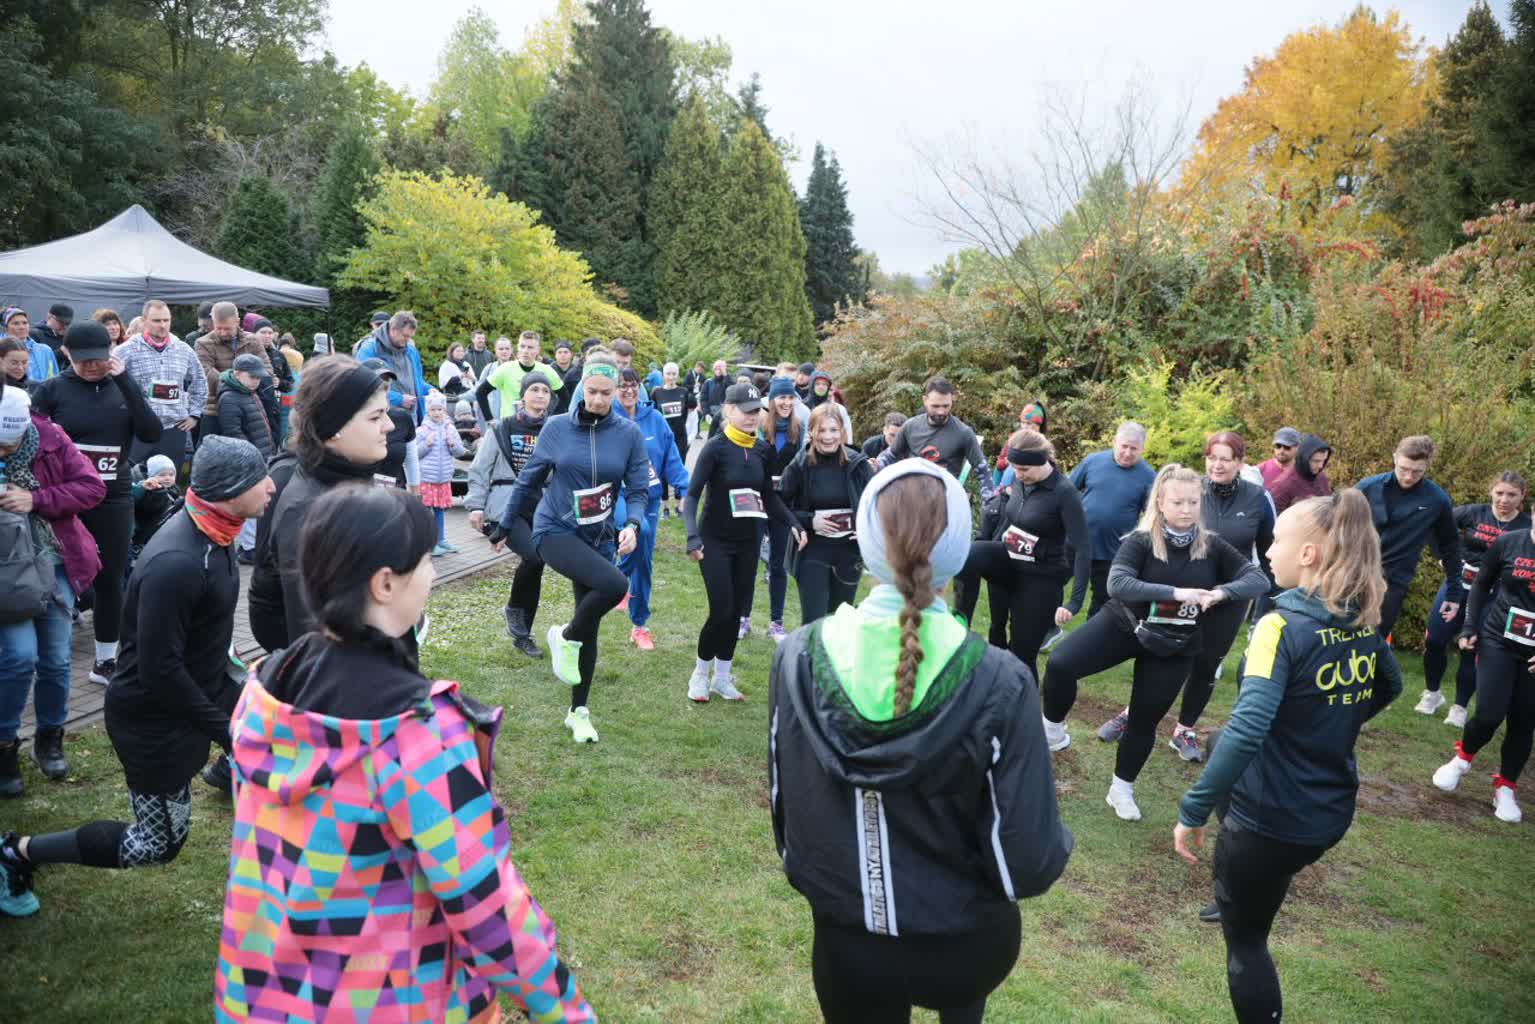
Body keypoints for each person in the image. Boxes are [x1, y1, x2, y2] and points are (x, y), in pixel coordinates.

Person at [208, 484, 597, 1018]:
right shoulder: (416, 732)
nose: (432, 573)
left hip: (263, 997)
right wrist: (567, 1009)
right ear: (385, 583)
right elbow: (486, 907)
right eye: (425, 561)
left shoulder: (268, 686)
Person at [769, 458, 1072, 1024]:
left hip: (847, 937)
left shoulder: (799, 654)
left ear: (866, 540)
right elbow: (1027, 863)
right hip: (964, 945)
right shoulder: (1002, 679)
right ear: (957, 548)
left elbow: (787, 816)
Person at [0, 438, 272, 918]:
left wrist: (239, 699)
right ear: (231, 490)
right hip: (152, 722)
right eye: (259, 479)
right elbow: (159, 670)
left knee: (176, 827)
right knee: (155, 843)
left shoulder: (216, 532)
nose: (271, 486)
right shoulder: (179, 562)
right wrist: (226, 729)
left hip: (187, 705)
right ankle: (15, 853)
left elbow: (202, 642)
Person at [1174, 487, 1400, 1019]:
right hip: (1327, 812)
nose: (1268, 552)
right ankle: (1240, 890)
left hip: (1272, 821)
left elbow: (1250, 728)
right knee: (1216, 741)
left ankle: (1242, 897)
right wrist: (1324, 725)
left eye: (1276, 541)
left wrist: (1192, 809)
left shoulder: (1278, 626)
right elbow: (1390, 686)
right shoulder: (1359, 619)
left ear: (1309, 554)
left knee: (1248, 946)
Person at [1042, 465, 1269, 821]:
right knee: (1060, 664)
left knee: (1144, 718)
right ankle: (1053, 730)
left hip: (1174, 642)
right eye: (1178, 502)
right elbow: (1118, 584)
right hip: (1123, 625)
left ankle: (1121, 789)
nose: (1186, 509)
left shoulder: (1212, 545)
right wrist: (1176, 593)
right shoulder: (1141, 540)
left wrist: (1222, 592)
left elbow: (1258, 579)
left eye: (1193, 502)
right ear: (1160, 502)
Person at [490, 349, 648, 744]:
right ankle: (563, 635)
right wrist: (505, 525)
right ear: (581, 389)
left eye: (606, 393)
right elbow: (528, 480)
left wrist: (633, 524)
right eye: (592, 391)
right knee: (616, 585)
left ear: (616, 392)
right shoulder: (557, 428)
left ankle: (578, 712)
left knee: (588, 626)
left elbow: (639, 490)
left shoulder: (628, 434)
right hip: (555, 530)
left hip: (600, 536)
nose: (598, 399)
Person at [1097, 432, 1276, 762]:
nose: (1217, 465)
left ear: (1240, 462)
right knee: (1159, 653)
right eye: (1212, 458)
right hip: (1180, 593)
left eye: (1226, 459)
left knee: (1206, 665)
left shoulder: (1257, 498)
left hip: (1227, 599)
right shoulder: (1190, 491)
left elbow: (1267, 558)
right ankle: (1132, 715)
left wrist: (1237, 594)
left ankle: (1184, 730)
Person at [32, 320, 162, 683]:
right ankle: (45, 653)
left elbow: (152, 432)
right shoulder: (52, 389)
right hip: (64, 494)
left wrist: (126, 382)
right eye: (83, 359)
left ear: (112, 353)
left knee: (110, 576)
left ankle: (105, 660)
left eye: (98, 358)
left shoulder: (123, 384)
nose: (92, 365)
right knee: (54, 572)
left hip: (112, 494)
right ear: (67, 353)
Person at [0, 383, 105, 798]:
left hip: (55, 561)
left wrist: (36, 499)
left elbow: (92, 487)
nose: (5, 452)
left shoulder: (50, 438)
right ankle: (5, 746)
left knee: (57, 658)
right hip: (7, 574)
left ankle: (50, 737)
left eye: (10, 444)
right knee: (18, 657)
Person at [248, 357, 392, 652]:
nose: (389, 425)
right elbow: (316, 642)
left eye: (386, 414)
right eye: (375, 417)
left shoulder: (348, 478)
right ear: (333, 428)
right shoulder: (309, 511)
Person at [683, 382, 802, 702]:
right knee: (721, 611)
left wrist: (793, 522)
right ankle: (700, 674)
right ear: (728, 410)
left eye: (755, 412)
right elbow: (692, 496)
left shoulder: (763, 450)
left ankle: (722, 678)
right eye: (745, 411)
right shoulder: (715, 448)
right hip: (715, 541)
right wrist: (692, 536)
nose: (752, 417)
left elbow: (768, 497)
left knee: (736, 613)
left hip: (748, 542)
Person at [955, 428, 1090, 683]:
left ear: (1042, 461)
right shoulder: (1020, 481)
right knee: (971, 554)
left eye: (1024, 469)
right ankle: (959, 629)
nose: (1018, 475)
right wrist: (991, 551)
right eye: (1015, 468)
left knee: (1021, 656)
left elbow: (1083, 547)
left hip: (1041, 577)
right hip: (1010, 562)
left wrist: (1074, 602)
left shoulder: (1064, 493)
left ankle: (1024, 701)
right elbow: (1011, 521)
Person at [1433, 519, 1535, 823]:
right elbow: (1481, 583)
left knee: (1523, 721)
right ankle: (1462, 758)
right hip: (1498, 638)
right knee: (1489, 713)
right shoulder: (1509, 542)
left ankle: (1506, 787)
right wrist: (1470, 626)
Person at [1421, 473, 1530, 726]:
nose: (1504, 500)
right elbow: (1435, 526)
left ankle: (1460, 707)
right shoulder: (1473, 513)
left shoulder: (1525, 526)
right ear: (1491, 491)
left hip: (1494, 596)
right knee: (1435, 639)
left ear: (1522, 496)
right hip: (1457, 586)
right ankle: (1432, 693)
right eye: (1499, 493)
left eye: (1512, 495)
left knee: (1471, 647)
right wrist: (1443, 557)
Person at [466, 372, 553, 657]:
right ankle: (514, 610)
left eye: (546, 391)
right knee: (534, 556)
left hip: (541, 506)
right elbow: (480, 469)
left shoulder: (554, 431)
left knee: (537, 564)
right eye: (534, 389)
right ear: (523, 395)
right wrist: (476, 506)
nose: (540, 395)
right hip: (506, 506)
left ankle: (523, 635)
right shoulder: (502, 428)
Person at [1356, 435, 1460, 641]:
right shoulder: (1367, 487)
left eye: (1417, 472)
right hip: (1354, 574)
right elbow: (1336, 529)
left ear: (1427, 466)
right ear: (1395, 457)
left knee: (1373, 642)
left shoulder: (1437, 500)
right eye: (1403, 469)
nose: (1408, 477)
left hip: (1393, 583)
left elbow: (1450, 546)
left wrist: (1454, 592)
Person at [779, 403, 876, 626]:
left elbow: (879, 504)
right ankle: (810, 651)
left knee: (841, 621)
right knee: (815, 622)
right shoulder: (801, 463)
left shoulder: (858, 463)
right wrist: (809, 521)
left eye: (833, 430)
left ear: (842, 431)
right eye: (821, 430)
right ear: (811, 432)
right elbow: (780, 504)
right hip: (813, 550)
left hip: (849, 553)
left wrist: (866, 528)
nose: (828, 437)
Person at [613, 368, 689, 650]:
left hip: (651, 497)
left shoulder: (654, 418)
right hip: (620, 495)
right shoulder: (608, 418)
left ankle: (640, 626)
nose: (629, 390)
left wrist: (685, 488)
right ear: (614, 389)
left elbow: (671, 457)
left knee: (644, 561)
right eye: (622, 386)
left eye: (633, 385)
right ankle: (617, 580)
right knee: (640, 531)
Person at [1067, 421, 1158, 619]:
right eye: (1124, 446)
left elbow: (1152, 516)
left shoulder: (1149, 476)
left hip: (1112, 550)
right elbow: (1067, 491)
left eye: (1133, 448)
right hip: (1075, 541)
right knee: (1054, 582)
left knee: (1103, 598)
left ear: (1142, 449)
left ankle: (1092, 636)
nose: (1127, 452)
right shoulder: (1093, 461)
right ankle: (1049, 625)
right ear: (1115, 441)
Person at [743, 378, 809, 642]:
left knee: (779, 564)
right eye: (782, 397)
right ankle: (743, 618)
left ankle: (777, 623)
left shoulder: (798, 428)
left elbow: (800, 463)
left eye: (790, 398)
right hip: (758, 500)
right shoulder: (759, 426)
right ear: (771, 400)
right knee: (749, 561)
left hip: (784, 503)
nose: (786, 402)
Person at [113, 299, 207, 475]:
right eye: (157, 320)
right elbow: (110, 384)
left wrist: (195, 414)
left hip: (174, 428)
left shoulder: (184, 350)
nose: (162, 325)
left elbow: (200, 382)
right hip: (138, 430)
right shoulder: (126, 350)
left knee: (169, 483)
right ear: (144, 321)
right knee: (130, 480)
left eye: (166, 320)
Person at [192, 302, 275, 443]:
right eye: (218, 328)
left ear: (237, 321)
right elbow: (206, 375)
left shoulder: (253, 341)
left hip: (250, 409)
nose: (223, 332)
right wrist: (243, 383)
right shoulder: (203, 343)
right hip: (215, 410)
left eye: (227, 328)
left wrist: (236, 380)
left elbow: (267, 371)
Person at [355, 311, 431, 425]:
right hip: (382, 420)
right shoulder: (369, 350)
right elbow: (363, 385)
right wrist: (399, 399)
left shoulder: (412, 351)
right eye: (405, 336)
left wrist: (430, 390)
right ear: (393, 329)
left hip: (412, 420)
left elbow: (417, 382)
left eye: (410, 337)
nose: (408, 340)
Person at [416, 392, 469, 556]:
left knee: (440, 510)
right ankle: (429, 543)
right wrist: (426, 444)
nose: (437, 412)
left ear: (444, 410)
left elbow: (461, 452)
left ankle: (441, 540)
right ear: (427, 411)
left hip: (444, 478)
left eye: (439, 409)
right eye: (433, 409)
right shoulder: (422, 430)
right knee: (427, 511)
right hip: (427, 478)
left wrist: (452, 444)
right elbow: (415, 454)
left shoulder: (450, 429)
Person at [477, 330, 564, 425]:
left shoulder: (547, 370)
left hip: (538, 426)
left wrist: (553, 418)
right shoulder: (505, 369)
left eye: (530, 347)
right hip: (510, 426)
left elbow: (565, 396)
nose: (525, 351)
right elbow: (480, 392)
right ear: (518, 347)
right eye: (522, 346)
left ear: (538, 350)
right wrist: (489, 419)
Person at [648, 362, 695, 517]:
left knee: (679, 469)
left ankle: (679, 504)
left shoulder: (683, 391)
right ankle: (665, 506)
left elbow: (690, 414)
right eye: (668, 373)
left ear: (677, 375)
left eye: (674, 374)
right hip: (662, 437)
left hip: (680, 437)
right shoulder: (657, 393)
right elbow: (652, 415)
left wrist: (691, 433)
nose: (671, 377)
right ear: (663, 375)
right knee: (662, 471)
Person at [1266, 433, 1332, 514]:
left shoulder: (1321, 478)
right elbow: (1274, 518)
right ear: (1304, 459)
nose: (1320, 466)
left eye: (1324, 460)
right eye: (1316, 461)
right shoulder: (1282, 486)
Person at [4, 308, 58, 383]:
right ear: (6, 328)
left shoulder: (45, 350)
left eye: (25, 323)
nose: (22, 327)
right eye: (15, 323)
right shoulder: (2, 349)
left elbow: (54, 379)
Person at [806, 369, 854, 440]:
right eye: (817, 384)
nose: (821, 387)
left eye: (824, 384)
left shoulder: (839, 409)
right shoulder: (803, 407)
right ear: (812, 386)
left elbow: (847, 433)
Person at [699, 359, 731, 434]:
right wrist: (706, 413)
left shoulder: (728, 380)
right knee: (713, 434)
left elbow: (732, 388)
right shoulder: (708, 382)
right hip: (712, 413)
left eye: (720, 369)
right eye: (716, 368)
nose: (718, 371)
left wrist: (725, 375)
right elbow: (703, 399)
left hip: (726, 413)